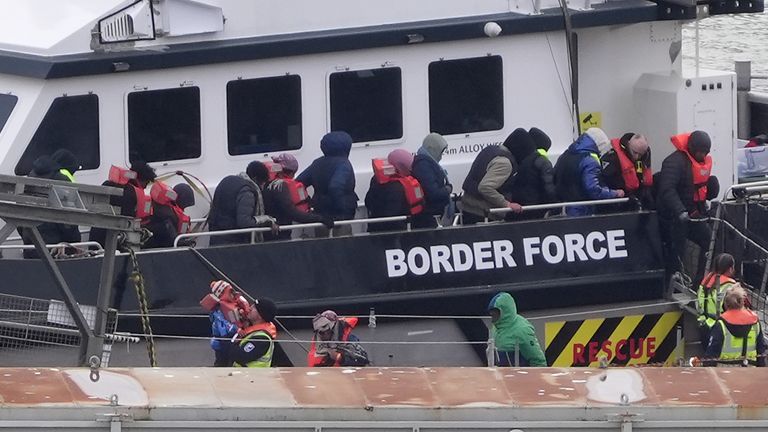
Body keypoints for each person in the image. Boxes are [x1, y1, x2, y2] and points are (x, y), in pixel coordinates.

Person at [657, 130, 718, 280]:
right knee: (676, 250)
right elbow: (667, 190)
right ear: (692, 148)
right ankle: (671, 283)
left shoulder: (699, 163)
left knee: (709, 241)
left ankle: (700, 280)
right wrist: (680, 210)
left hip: (694, 214)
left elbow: (700, 189)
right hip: (674, 217)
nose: (703, 156)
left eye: (705, 152)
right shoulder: (674, 162)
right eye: (700, 152)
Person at [297, 131, 358, 236]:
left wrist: (306, 201)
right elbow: (335, 186)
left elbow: (299, 183)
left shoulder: (317, 163)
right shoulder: (343, 164)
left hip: (320, 213)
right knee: (343, 246)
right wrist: (340, 210)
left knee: (323, 245)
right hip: (340, 217)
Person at [19, 155, 81, 258]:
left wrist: (27, 236)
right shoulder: (61, 180)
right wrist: (73, 242)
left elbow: (19, 215)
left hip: (30, 246)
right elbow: (68, 219)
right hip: (56, 250)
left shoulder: (29, 178)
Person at [554, 127, 624, 216]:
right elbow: (593, 190)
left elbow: (555, 177)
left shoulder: (565, 155)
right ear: (599, 144)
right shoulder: (590, 161)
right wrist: (614, 193)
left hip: (562, 208)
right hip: (581, 211)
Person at [263, 153, 333, 241]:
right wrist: (320, 218)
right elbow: (292, 212)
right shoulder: (279, 186)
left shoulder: (267, 184)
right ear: (291, 172)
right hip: (278, 234)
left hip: (271, 232)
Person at [207, 161, 278, 246]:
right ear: (255, 179)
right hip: (233, 241)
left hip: (215, 235)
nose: (262, 188)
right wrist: (267, 220)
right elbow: (244, 222)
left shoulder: (227, 180)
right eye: (262, 183)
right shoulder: (247, 192)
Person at [461, 130, 523, 224]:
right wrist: (507, 204)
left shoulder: (490, 149)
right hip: (483, 213)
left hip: (468, 206)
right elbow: (485, 187)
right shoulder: (505, 163)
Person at [88, 161, 156, 248]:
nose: (145, 187)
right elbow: (128, 221)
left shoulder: (107, 184)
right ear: (140, 179)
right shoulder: (131, 194)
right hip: (113, 241)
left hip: (95, 237)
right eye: (146, 183)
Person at [702, 284, 766, 367]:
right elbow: (761, 351)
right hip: (750, 372)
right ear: (743, 302)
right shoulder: (755, 322)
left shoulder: (721, 324)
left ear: (726, 304)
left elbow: (711, 355)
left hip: (724, 373)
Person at [364, 149, 423, 232]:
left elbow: (368, 201)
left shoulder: (376, 179)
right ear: (401, 167)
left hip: (374, 227)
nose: (411, 169)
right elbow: (392, 213)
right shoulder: (398, 187)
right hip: (392, 232)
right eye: (409, 167)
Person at [506, 128, 557, 219]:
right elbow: (549, 188)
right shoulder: (543, 162)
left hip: (519, 208)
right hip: (535, 209)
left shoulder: (522, 161)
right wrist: (556, 206)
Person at [487, 292, 546, 367]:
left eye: (495, 314)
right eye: (492, 315)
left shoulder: (522, 330)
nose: (492, 319)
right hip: (501, 374)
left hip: (520, 376)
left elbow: (537, 360)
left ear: (504, 312)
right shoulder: (496, 327)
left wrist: (536, 377)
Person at [601, 133, 654, 211]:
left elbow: (642, 179)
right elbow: (607, 181)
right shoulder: (612, 157)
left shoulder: (644, 157)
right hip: (617, 203)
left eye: (640, 154)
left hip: (635, 201)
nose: (637, 157)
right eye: (635, 152)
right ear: (628, 145)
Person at [411, 133, 452, 229]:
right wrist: (447, 189)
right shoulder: (423, 165)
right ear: (432, 149)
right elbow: (433, 193)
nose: (441, 156)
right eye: (440, 151)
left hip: (432, 215)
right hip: (429, 216)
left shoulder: (427, 162)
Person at [697, 253, 737, 343]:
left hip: (704, 325)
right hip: (720, 328)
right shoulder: (730, 285)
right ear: (730, 268)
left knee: (708, 356)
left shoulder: (707, 279)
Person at [230, 297, 279, 367]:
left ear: (260, 316)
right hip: (242, 374)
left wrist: (232, 340)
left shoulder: (261, 339)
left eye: (254, 308)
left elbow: (240, 356)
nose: (249, 308)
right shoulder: (250, 328)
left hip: (253, 376)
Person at [144, 182, 194, 248]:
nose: (184, 209)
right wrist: (184, 243)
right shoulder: (166, 213)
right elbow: (172, 238)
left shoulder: (161, 207)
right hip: (156, 246)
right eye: (185, 206)